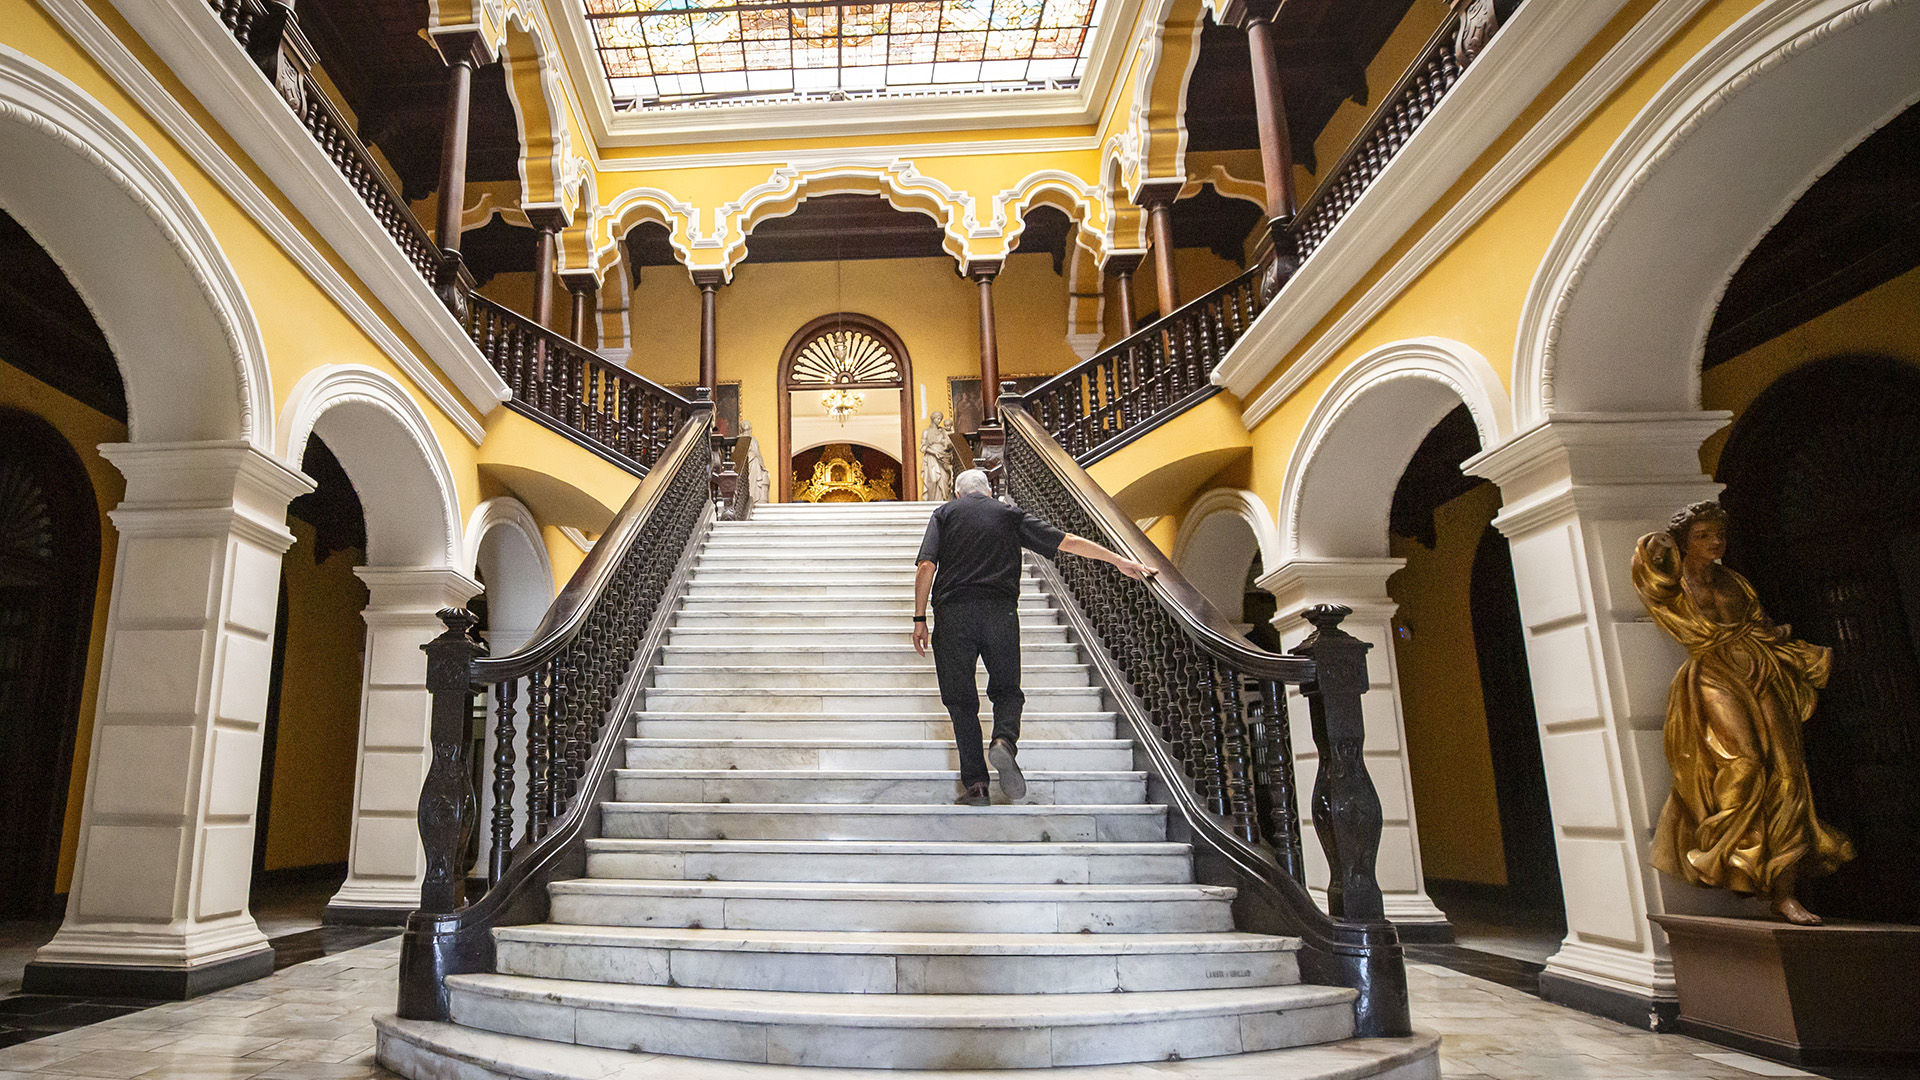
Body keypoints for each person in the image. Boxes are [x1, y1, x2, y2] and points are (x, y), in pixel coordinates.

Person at [1632, 500, 1854, 924]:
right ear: (1684, 542)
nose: (1716, 542)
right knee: (1745, 762)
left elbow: (1761, 623)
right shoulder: (1676, 583)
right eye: (1703, 536)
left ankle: (1784, 893)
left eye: (1719, 535)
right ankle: (1729, 860)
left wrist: (1777, 639)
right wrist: (1655, 545)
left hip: (1760, 670)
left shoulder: (1736, 581)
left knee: (1788, 773)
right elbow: (1647, 577)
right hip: (1713, 673)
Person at [913, 469, 1155, 805]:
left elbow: (926, 565)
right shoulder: (1008, 515)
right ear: (989, 491)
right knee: (1007, 691)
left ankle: (977, 786)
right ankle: (1004, 741)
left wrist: (919, 617)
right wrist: (1119, 561)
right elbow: (1066, 541)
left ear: (957, 494)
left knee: (961, 703)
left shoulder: (943, 514)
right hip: (1000, 613)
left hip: (953, 617)